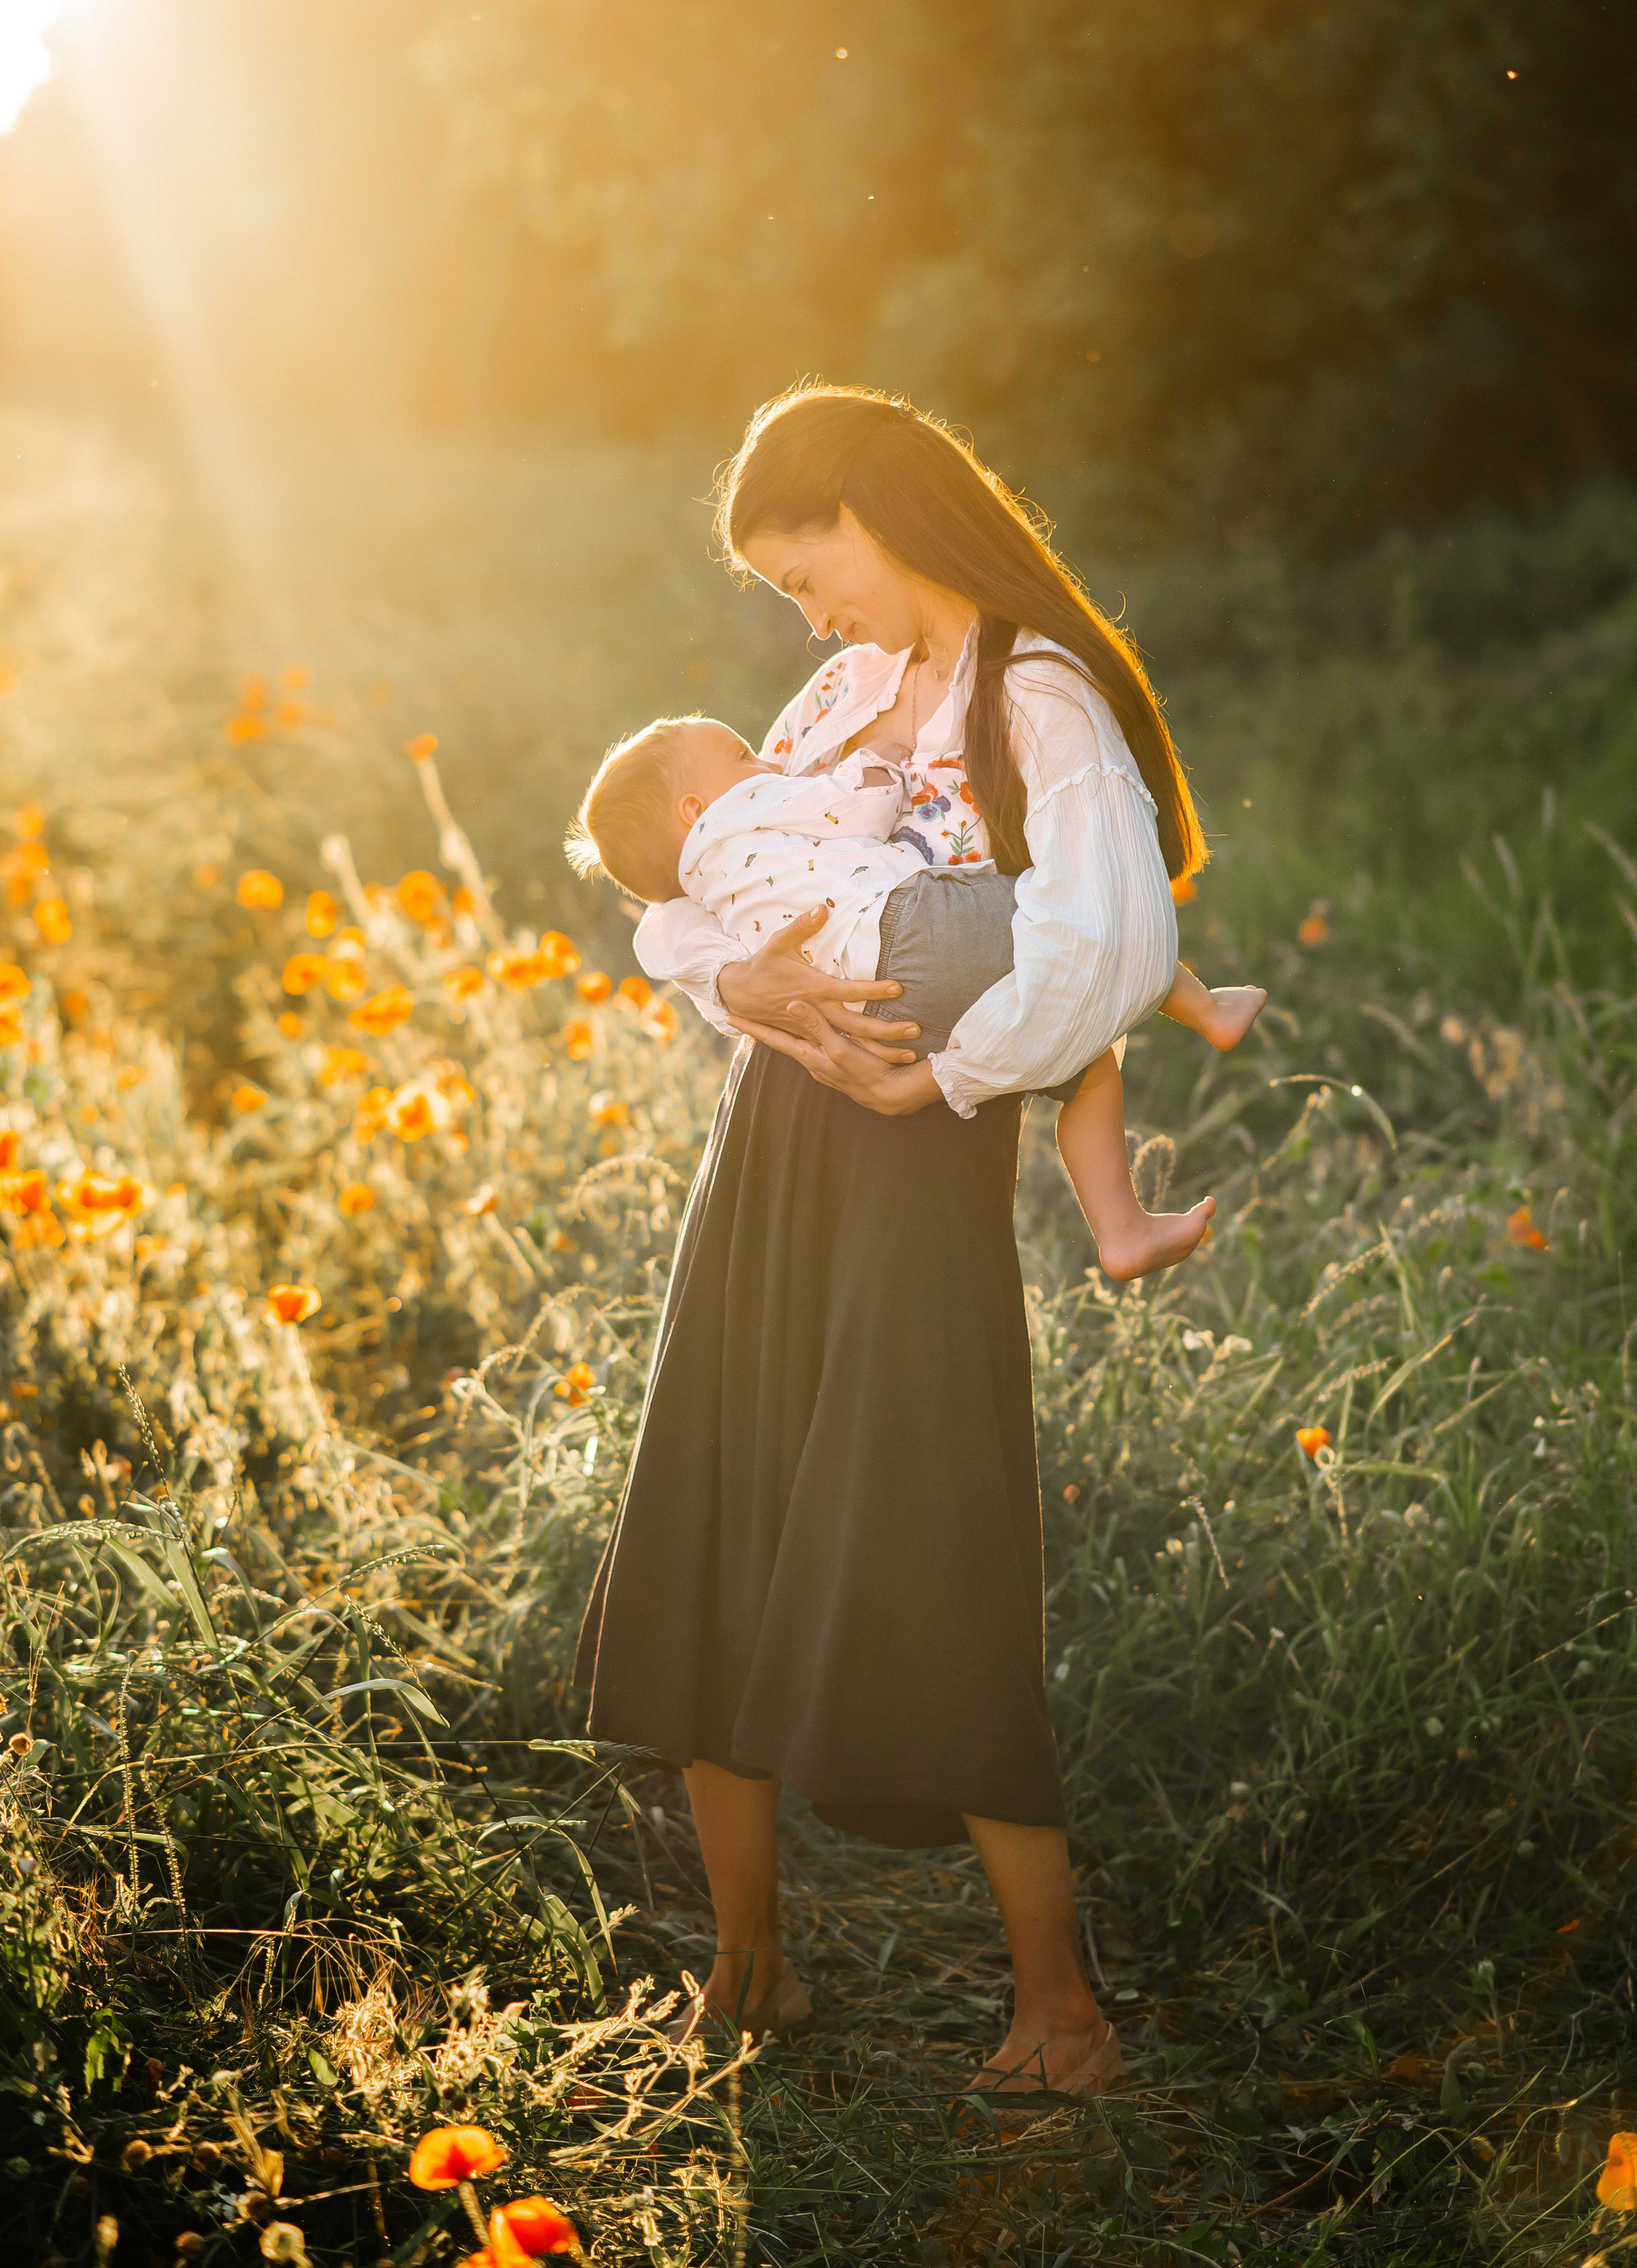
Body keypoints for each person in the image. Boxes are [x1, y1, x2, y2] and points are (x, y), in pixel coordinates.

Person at [571, 384, 1219, 2098]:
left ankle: (1059, 2008)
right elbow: (699, 891)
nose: (809, 618)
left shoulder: (1040, 697)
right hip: (770, 1141)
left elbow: (1102, 944)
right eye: (786, 598)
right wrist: (749, 986)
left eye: (811, 573)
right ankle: (747, 1964)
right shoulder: (850, 690)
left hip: (912, 1152)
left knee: (930, 1552)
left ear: (881, 511)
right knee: (722, 1511)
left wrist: (929, 1069)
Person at [567, 713, 1263, 1279]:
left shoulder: (705, 888)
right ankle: (1204, 1014)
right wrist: (876, 761)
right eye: (743, 752)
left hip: (875, 1020)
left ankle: (1122, 1232)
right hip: (911, 930)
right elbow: (856, 808)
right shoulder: (749, 809)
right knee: (1081, 917)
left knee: (1087, 1067)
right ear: (696, 807)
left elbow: (663, 936)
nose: (766, 760)